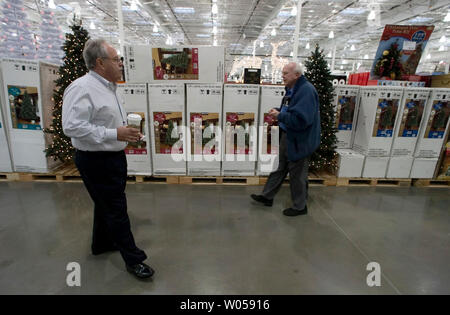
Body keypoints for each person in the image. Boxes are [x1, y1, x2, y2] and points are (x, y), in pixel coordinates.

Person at [62, 39, 154, 279]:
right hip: (96, 160)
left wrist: (127, 133)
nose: (121, 63)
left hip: (112, 157)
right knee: (116, 209)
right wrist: (115, 133)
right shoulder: (81, 88)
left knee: (106, 206)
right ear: (100, 63)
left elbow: (105, 122)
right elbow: (72, 127)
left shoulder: (110, 88)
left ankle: (101, 244)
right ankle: (134, 260)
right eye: (116, 59)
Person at [251, 62, 321, 216]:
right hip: (288, 135)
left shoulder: (306, 91)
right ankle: (267, 196)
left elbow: (302, 120)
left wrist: (280, 115)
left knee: (297, 174)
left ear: (296, 75)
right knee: (280, 167)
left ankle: (300, 206)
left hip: (300, 140)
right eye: (282, 73)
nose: (282, 76)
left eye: (285, 73)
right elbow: (291, 109)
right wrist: (279, 110)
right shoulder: (293, 89)